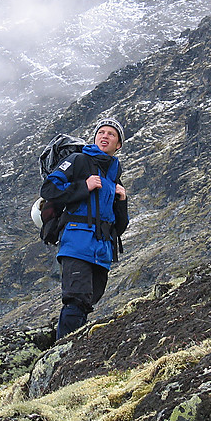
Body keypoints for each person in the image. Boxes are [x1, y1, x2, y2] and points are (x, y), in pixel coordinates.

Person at [41, 117, 129, 340]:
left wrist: (122, 200)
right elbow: (49, 189)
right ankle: (61, 355)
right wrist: (83, 186)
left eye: (111, 134)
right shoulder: (78, 160)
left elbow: (119, 226)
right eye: (102, 132)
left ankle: (62, 342)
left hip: (103, 251)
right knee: (76, 298)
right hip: (77, 243)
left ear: (118, 145)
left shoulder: (113, 175)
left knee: (87, 302)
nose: (105, 136)